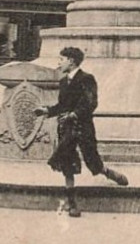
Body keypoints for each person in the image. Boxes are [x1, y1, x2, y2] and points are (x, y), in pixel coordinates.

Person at [34, 46, 128, 217]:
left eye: (61, 59)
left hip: (83, 127)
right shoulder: (63, 82)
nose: (59, 62)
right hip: (66, 128)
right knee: (66, 162)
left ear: (71, 61)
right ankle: (72, 202)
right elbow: (62, 106)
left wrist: (74, 114)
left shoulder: (87, 79)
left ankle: (107, 172)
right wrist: (47, 111)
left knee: (92, 159)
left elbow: (91, 103)